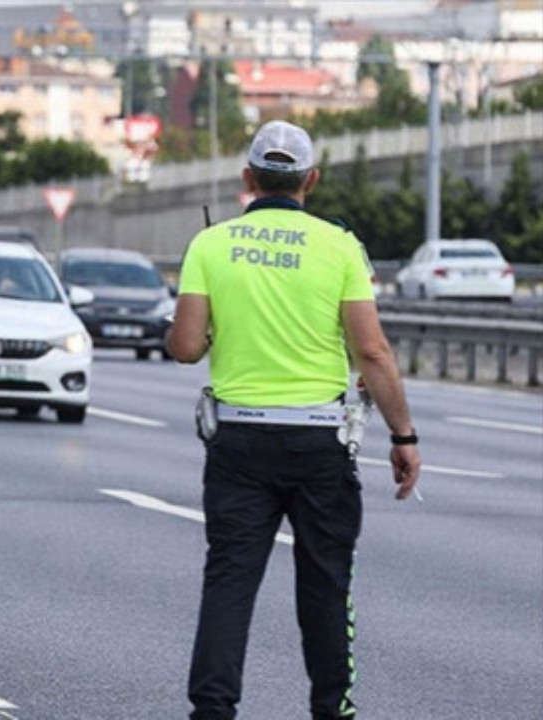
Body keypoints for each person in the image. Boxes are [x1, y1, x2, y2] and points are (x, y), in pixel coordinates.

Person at [166, 120, 422, 720]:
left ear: (248, 178)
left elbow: (183, 347)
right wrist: (403, 436)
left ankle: (213, 710)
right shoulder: (339, 246)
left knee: (229, 581)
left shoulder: (212, 244)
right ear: (311, 179)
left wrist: (206, 334)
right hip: (318, 443)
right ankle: (332, 709)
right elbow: (373, 352)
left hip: (238, 441)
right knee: (325, 584)